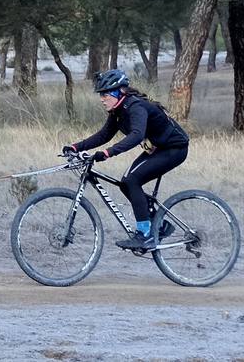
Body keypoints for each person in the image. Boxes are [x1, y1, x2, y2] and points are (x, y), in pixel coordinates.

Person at [62, 69, 190, 250]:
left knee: (131, 180)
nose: (102, 99)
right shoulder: (118, 111)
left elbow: (137, 135)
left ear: (119, 91)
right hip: (158, 149)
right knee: (126, 183)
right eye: (101, 94)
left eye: (105, 94)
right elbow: (104, 135)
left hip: (174, 149)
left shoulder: (135, 107)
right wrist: (76, 147)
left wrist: (107, 153)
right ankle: (159, 225)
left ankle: (145, 235)